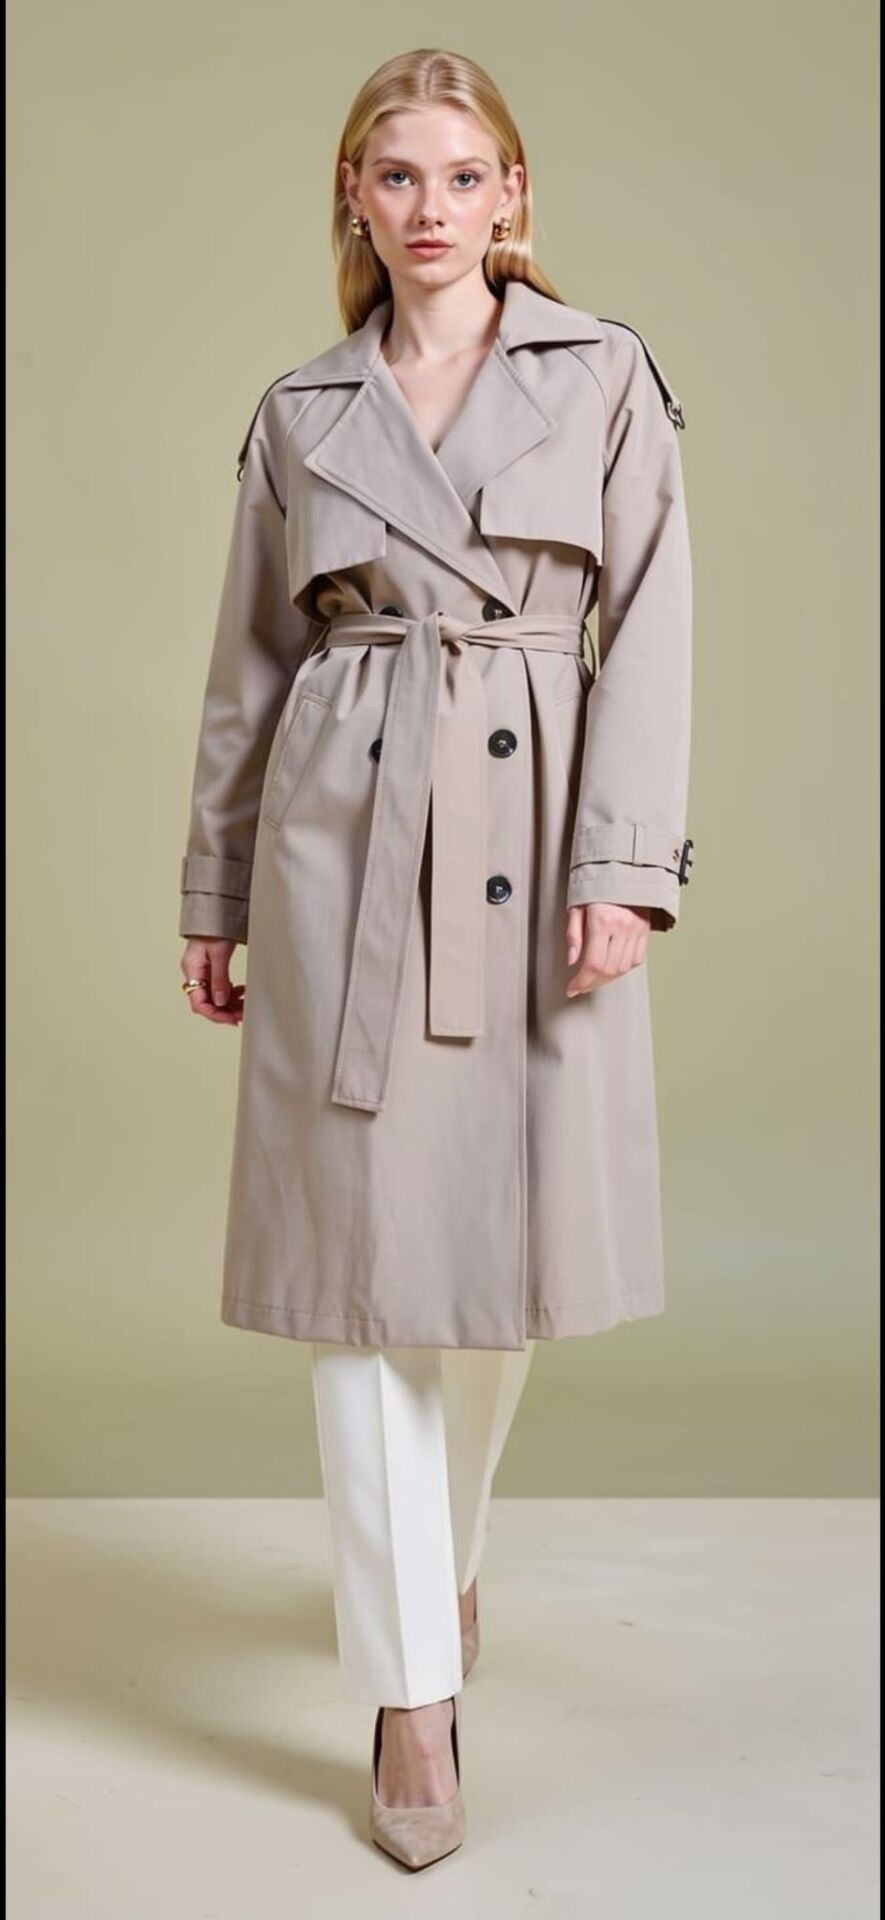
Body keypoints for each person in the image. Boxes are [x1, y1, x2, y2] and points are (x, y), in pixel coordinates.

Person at [177, 46, 694, 1870]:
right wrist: (218, 891)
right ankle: (409, 1690)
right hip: (342, 836)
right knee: (360, 1271)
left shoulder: (602, 375)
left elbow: (651, 627)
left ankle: (439, 1560)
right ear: (353, 194)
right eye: (395, 175)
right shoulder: (300, 409)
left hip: (533, 836)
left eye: (462, 175)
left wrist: (621, 867)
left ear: (512, 197)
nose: (428, 208)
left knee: (491, 1268)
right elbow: (249, 665)